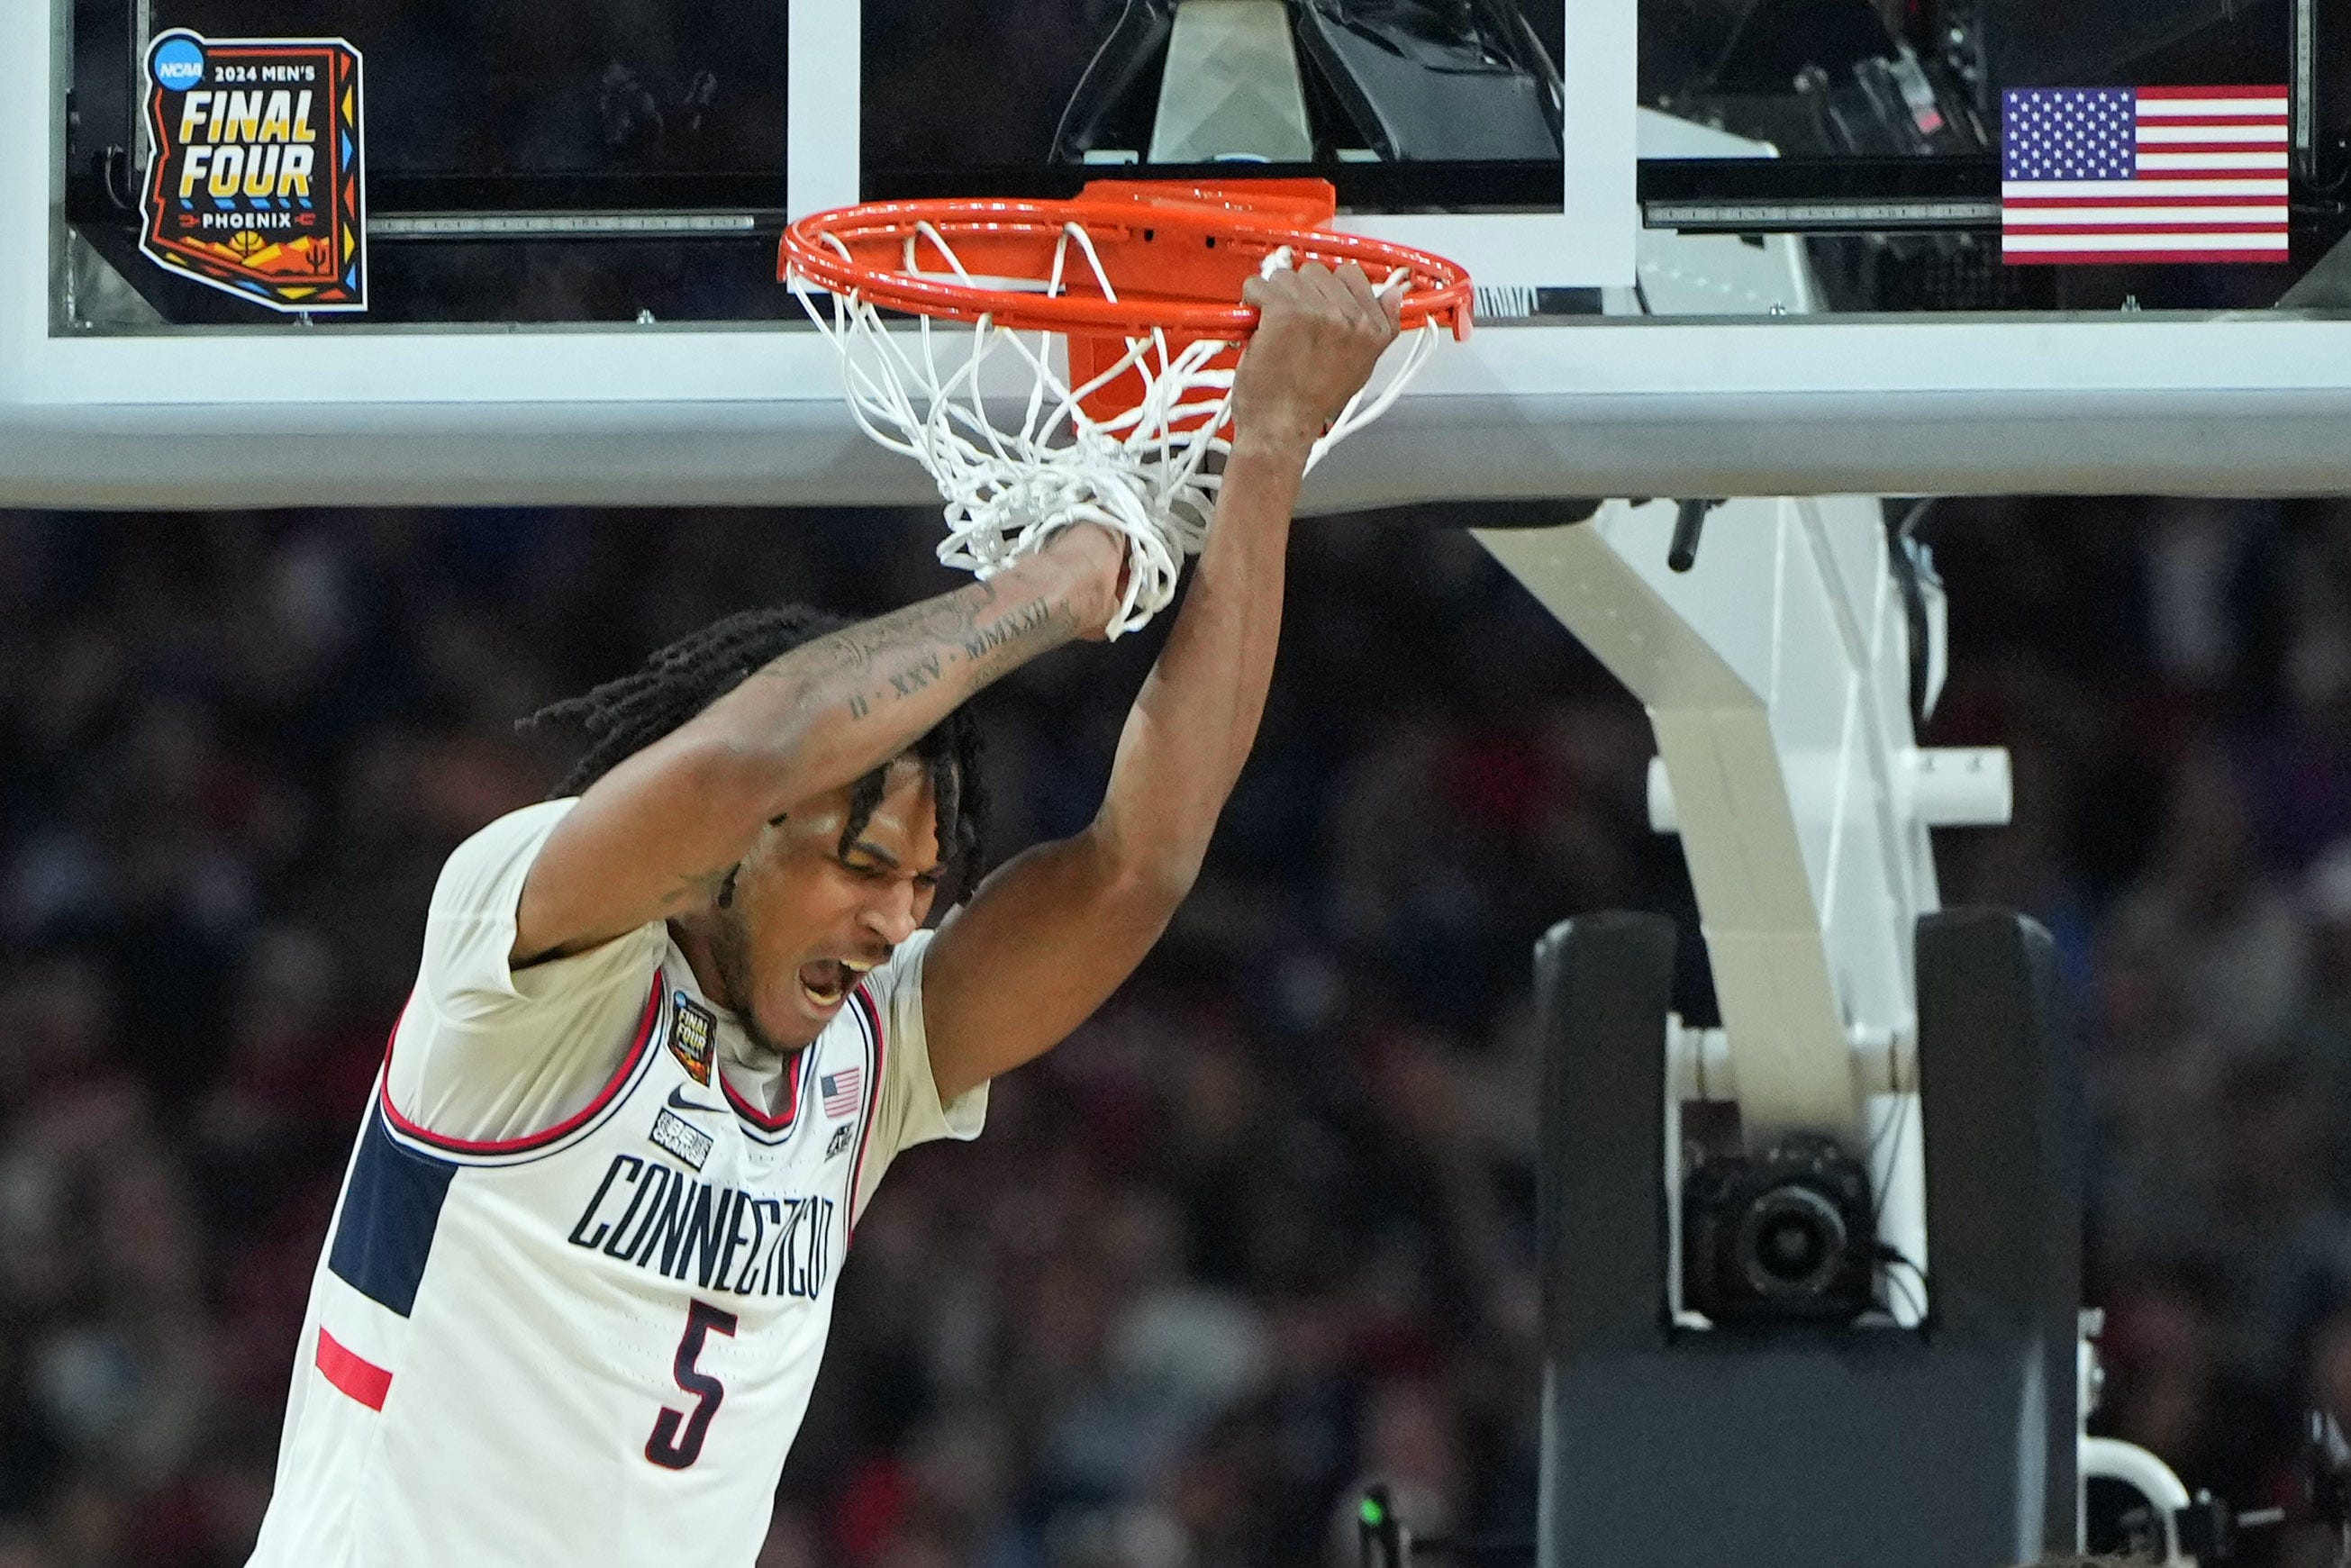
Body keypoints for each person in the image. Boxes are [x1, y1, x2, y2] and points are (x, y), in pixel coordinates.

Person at [244, 262, 1402, 1567]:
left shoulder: (865, 1061)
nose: (894, 925)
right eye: (861, 866)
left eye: (921, 886)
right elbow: (757, 751)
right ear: (737, 850)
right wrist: (1063, 582)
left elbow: (1138, 866)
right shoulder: (527, 968)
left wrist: (1267, 448)